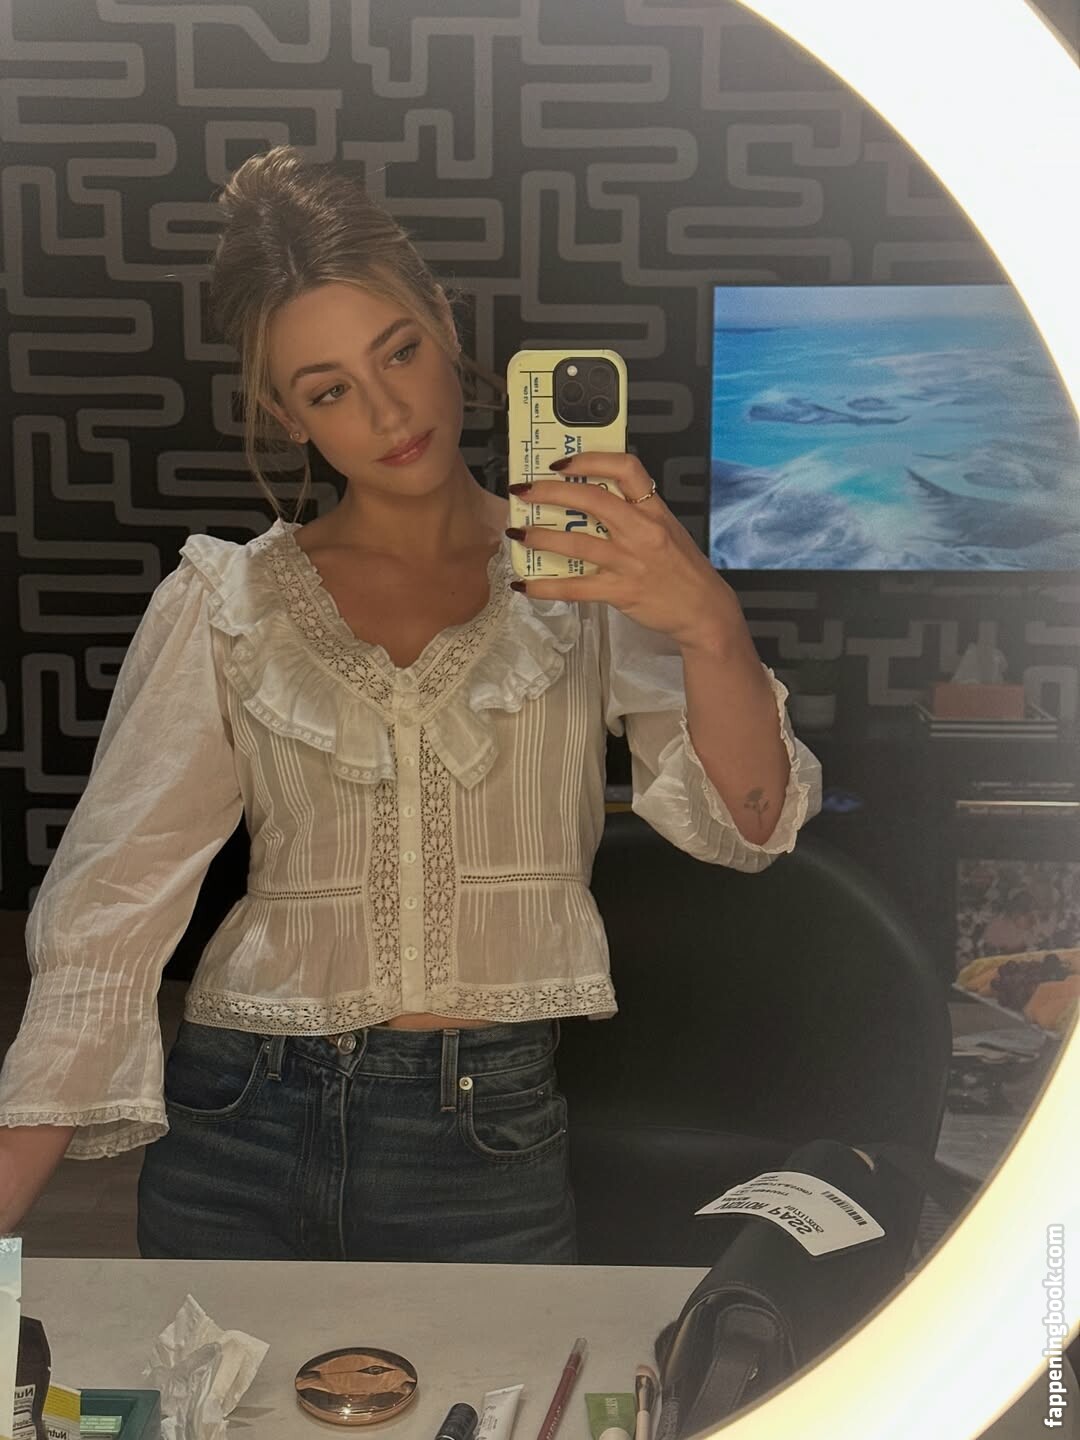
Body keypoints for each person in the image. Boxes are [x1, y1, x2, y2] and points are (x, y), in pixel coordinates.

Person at [0, 145, 822, 1260]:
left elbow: (750, 825)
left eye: (400, 350)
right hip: (236, 1116)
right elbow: (110, 910)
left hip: (483, 1128)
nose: (388, 409)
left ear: (442, 318)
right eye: (329, 389)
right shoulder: (224, 602)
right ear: (287, 414)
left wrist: (710, 623)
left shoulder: (588, 577)